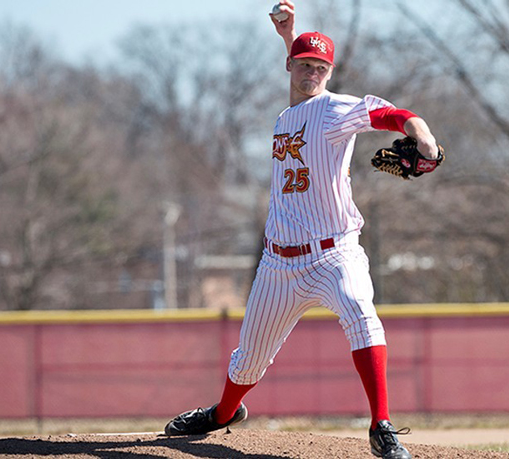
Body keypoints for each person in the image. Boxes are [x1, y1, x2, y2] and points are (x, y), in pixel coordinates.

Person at [164, 2, 441, 458]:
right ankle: (223, 413)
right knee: (249, 359)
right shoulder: (286, 115)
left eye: (320, 66)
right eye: (304, 64)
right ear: (289, 65)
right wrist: (289, 34)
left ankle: (381, 425)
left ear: (329, 73)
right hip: (279, 262)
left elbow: (388, 114)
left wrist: (422, 134)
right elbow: (298, 84)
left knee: (360, 312)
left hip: (334, 253)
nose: (312, 71)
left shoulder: (334, 110)